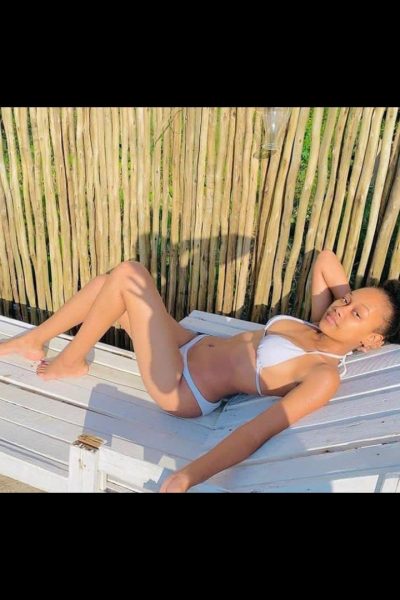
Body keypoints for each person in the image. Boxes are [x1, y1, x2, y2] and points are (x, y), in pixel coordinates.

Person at [0, 250, 399, 492]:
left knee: (129, 274)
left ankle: (70, 360)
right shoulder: (318, 323)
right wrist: (353, 309)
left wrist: (188, 477)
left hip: (182, 386)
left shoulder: (323, 374)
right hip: (187, 343)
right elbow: (326, 259)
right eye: (346, 299)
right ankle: (35, 340)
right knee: (110, 283)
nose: (341, 308)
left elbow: (255, 432)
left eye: (356, 314)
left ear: (373, 340)